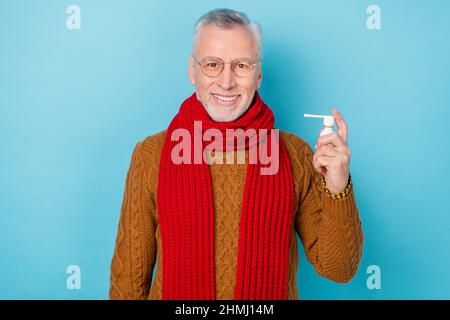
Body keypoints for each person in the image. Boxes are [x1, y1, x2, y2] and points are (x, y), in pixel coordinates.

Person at [109, 8, 363, 300]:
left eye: (241, 65)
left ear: (258, 74)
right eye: (212, 65)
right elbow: (128, 281)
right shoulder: (150, 155)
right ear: (192, 71)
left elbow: (339, 269)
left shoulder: (295, 155)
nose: (227, 82)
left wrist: (337, 187)